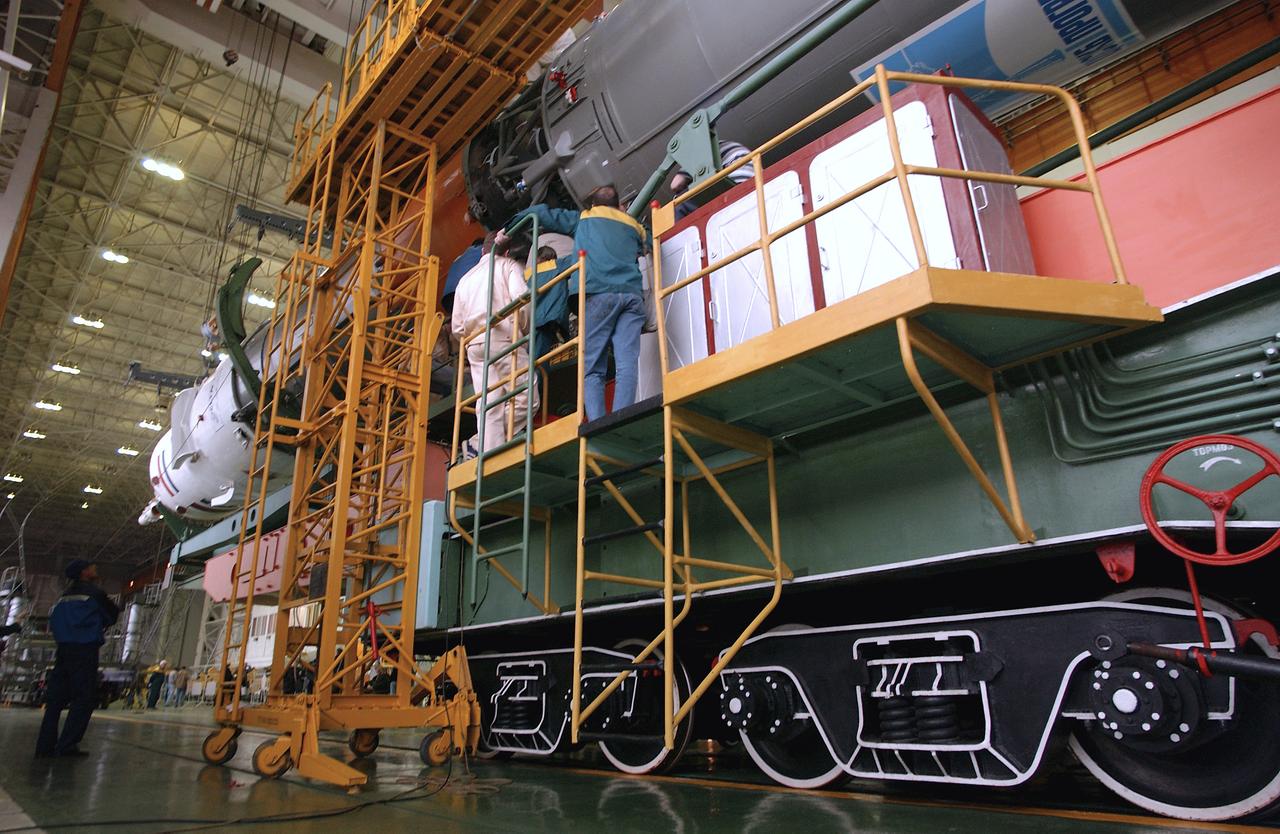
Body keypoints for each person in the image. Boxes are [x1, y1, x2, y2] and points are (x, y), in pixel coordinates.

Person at [509, 185, 649, 421]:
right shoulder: (633, 226)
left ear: (594, 205)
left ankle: (597, 423)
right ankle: (623, 416)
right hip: (632, 296)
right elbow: (646, 243)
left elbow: (544, 214)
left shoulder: (584, 218)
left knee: (593, 366)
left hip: (598, 294)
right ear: (617, 205)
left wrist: (512, 223)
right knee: (627, 362)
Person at [451, 233, 540, 454]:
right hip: (503, 337)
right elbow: (523, 299)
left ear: (483, 251)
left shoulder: (466, 279)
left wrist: (472, 338)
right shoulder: (508, 266)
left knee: (489, 402)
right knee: (526, 397)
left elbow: (457, 327)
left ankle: (484, 447)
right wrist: (524, 329)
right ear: (507, 252)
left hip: (474, 344)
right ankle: (483, 443)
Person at [35, 559, 120, 758]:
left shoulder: (63, 597)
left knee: (55, 701)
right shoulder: (95, 594)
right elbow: (112, 615)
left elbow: (54, 621)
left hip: (63, 650)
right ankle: (67, 745)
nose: (95, 568)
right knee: (84, 698)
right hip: (85, 650)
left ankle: (44, 747)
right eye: (91, 567)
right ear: (84, 572)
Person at [669, 140, 754, 219]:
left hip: (737, 188)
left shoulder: (702, 153)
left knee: (679, 205)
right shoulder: (724, 145)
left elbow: (676, 184)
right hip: (756, 187)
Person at [529, 246, 573, 362]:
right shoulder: (555, 265)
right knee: (540, 365)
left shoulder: (527, 274)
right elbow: (579, 258)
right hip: (547, 323)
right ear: (552, 258)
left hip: (529, 326)